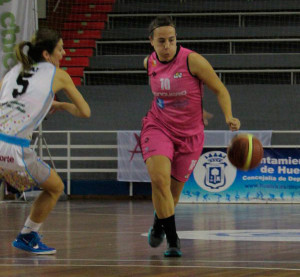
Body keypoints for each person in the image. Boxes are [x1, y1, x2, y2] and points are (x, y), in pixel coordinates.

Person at [140, 16, 240, 257]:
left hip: (190, 136)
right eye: (161, 41)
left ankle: (158, 223)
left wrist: (229, 116)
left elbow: (220, 89)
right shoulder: (148, 63)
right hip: (158, 127)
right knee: (159, 180)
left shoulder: (192, 61)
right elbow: (164, 96)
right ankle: (173, 240)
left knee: (173, 193)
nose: (167, 45)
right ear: (151, 41)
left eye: (171, 40)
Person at [0, 28, 91, 254]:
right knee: (55, 187)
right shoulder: (58, 75)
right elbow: (85, 112)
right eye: (60, 49)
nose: (64, 52)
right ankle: (28, 235)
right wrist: (59, 105)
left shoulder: (12, 71)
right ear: (47, 55)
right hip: (13, 147)